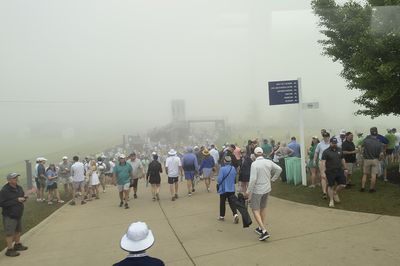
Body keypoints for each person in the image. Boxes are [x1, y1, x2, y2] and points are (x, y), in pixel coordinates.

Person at [244, 147, 282, 241]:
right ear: (262, 153)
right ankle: (261, 227)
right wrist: (273, 179)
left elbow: (253, 179)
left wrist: (248, 191)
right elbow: (279, 169)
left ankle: (264, 231)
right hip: (267, 189)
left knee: (255, 209)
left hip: (258, 190)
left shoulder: (254, 164)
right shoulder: (268, 162)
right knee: (263, 207)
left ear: (255, 154)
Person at [0, 173, 28, 257]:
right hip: (9, 215)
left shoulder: (19, 188)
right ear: (9, 180)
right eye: (14, 178)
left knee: (18, 230)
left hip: (18, 213)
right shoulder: (4, 190)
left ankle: (17, 244)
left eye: (16, 177)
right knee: (10, 233)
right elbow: (2, 203)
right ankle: (9, 250)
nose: (16, 179)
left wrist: (24, 198)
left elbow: (21, 197)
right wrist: (17, 200)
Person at [320, 138, 348, 208]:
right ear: (330, 143)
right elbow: (323, 163)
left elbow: (342, 159)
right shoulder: (326, 152)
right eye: (333, 143)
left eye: (335, 143)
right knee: (331, 186)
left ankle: (335, 193)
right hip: (330, 171)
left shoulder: (340, 150)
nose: (334, 144)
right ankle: (331, 200)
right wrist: (323, 172)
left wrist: (345, 168)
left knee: (343, 185)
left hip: (339, 170)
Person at [361, 127, 384, 192]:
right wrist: (380, 159)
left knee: (365, 174)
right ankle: (371, 189)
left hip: (366, 159)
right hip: (375, 160)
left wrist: (362, 155)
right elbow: (381, 154)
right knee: (373, 175)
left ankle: (362, 188)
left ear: (370, 133)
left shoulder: (366, 140)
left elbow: (360, 147)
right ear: (377, 133)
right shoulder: (379, 142)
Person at [217, 156, 239, 224]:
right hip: (231, 188)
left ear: (224, 161)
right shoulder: (233, 168)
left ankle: (222, 216)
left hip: (224, 189)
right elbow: (234, 177)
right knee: (232, 203)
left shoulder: (222, 169)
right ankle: (235, 215)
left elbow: (219, 179)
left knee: (222, 202)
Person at [314, 131, 331, 199]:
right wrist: (314, 160)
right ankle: (324, 192)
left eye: (327, 137)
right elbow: (316, 153)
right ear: (323, 137)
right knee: (323, 176)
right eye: (324, 137)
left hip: (330, 162)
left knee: (329, 176)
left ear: (329, 137)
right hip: (322, 162)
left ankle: (330, 189)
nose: (325, 138)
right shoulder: (320, 144)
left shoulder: (331, 144)